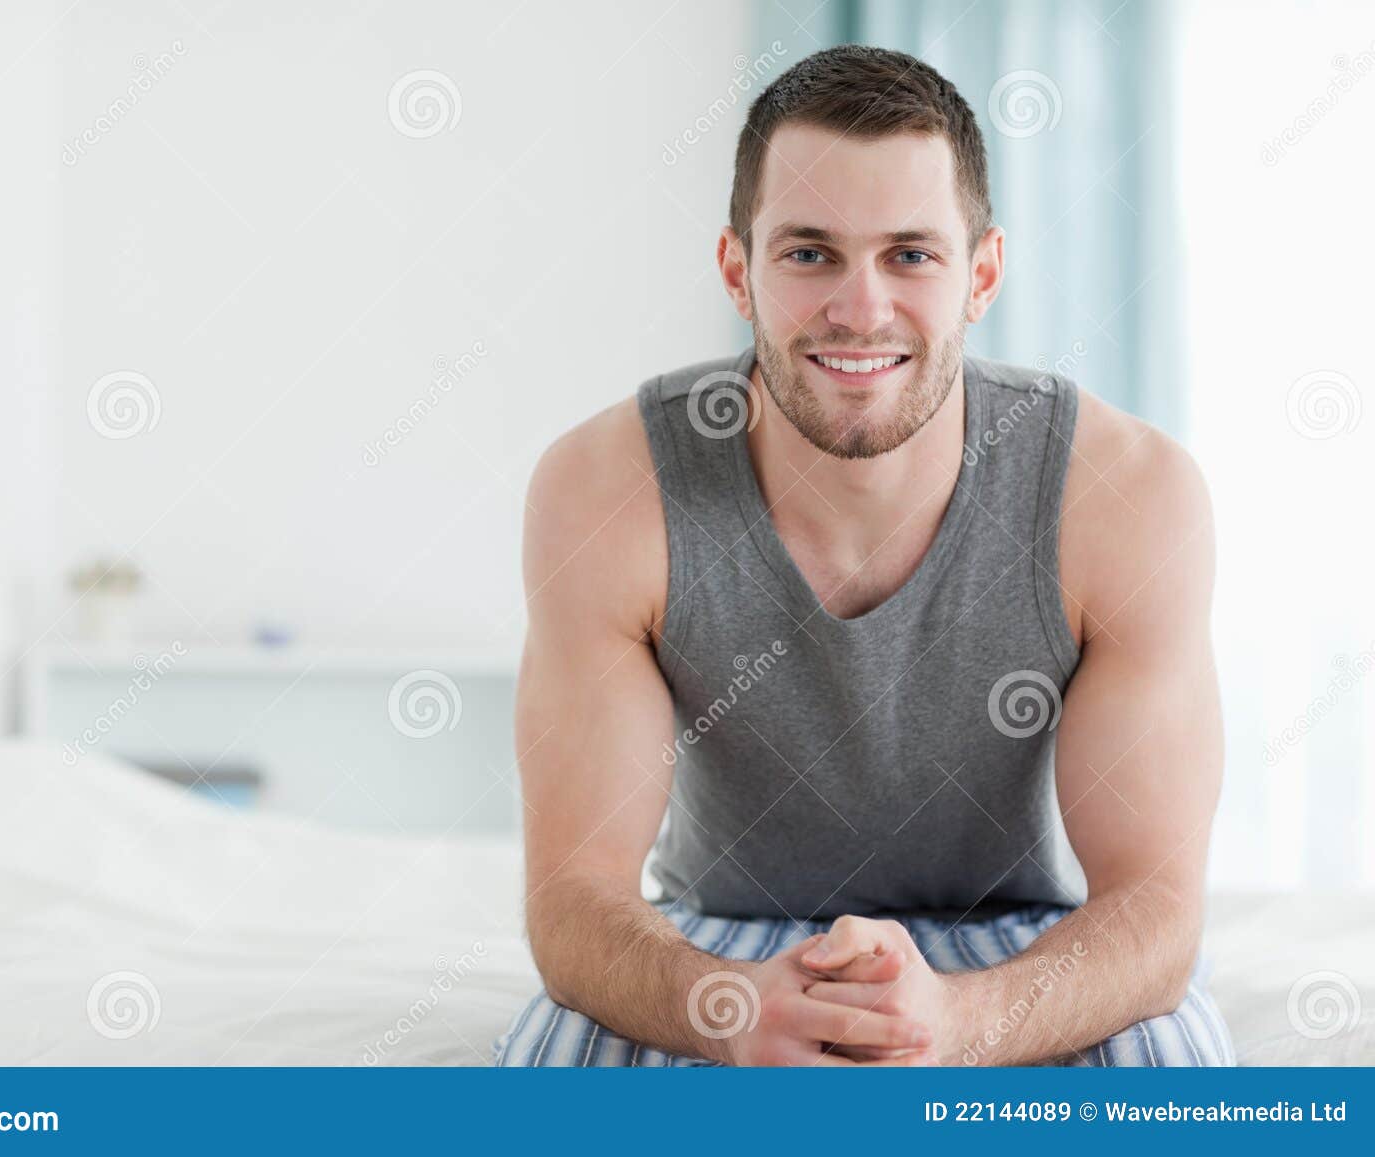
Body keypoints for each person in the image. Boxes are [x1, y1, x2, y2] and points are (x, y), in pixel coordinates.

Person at [493, 44, 1232, 1067]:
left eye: (909, 255)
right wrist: (732, 1007)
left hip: (1017, 953)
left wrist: (961, 1023)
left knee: (1173, 1066)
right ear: (735, 270)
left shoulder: (1128, 495)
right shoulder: (602, 490)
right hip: (710, 951)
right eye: (808, 253)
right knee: (549, 1069)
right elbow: (575, 897)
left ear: (981, 273)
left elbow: (1155, 907)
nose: (860, 307)